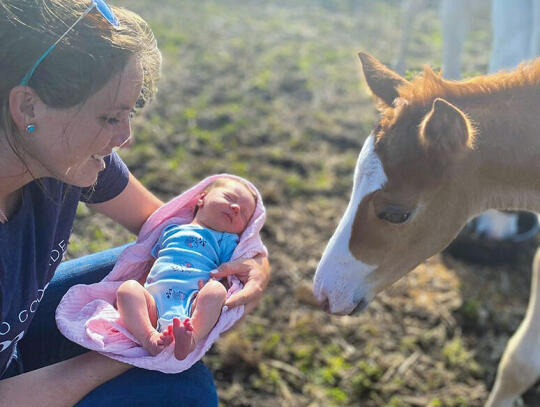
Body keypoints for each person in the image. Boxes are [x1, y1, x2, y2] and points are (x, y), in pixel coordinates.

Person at [0, 0, 271, 405]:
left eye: (131, 113)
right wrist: (132, 349)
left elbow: (168, 227)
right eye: (110, 118)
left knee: (159, 260)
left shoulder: (64, 159)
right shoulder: (66, 159)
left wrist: (251, 261)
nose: (125, 137)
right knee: (182, 393)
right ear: (27, 106)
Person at [116, 177, 258, 360]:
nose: (236, 208)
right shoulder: (171, 230)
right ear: (202, 198)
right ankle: (149, 336)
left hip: (192, 305)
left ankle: (192, 339)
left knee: (216, 292)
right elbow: (151, 262)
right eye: (229, 198)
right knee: (127, 289)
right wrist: (137, 295)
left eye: (244, 214)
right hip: (152, 300)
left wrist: (213, 286)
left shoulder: (227, 241)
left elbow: (229, 273)